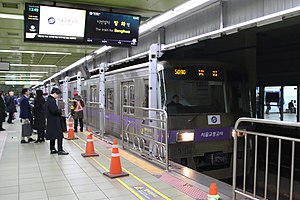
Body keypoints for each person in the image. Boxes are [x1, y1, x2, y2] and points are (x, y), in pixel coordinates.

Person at [46, 88, 68, 155]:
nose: (58, 96)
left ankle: (52, 149)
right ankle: (60, 150)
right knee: (59, 135)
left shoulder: (49, 100)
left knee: (53, 135)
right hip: (54, 120)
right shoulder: (52, 101)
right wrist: (59, 111)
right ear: (55, 93)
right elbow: (54, 111)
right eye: (58, 94)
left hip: (51, 120)